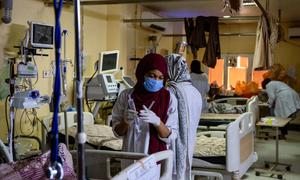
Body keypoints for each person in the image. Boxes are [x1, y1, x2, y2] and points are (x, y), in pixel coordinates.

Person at [111, 53, 178, 169]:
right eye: (152, 76)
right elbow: (117, 132)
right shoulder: (127, 96)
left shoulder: (169, 99)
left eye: (160, 78)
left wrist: (158, 123)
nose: (156, 80)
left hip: (155, 159)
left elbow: (171, 136)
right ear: (142, 73)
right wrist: (125, 122)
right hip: (130, 155)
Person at [165, 54, 202, 180]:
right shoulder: (194, 91)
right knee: (184, 172)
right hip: (189, 140)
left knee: (173, 174)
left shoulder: (171, 92)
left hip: (173, 143)